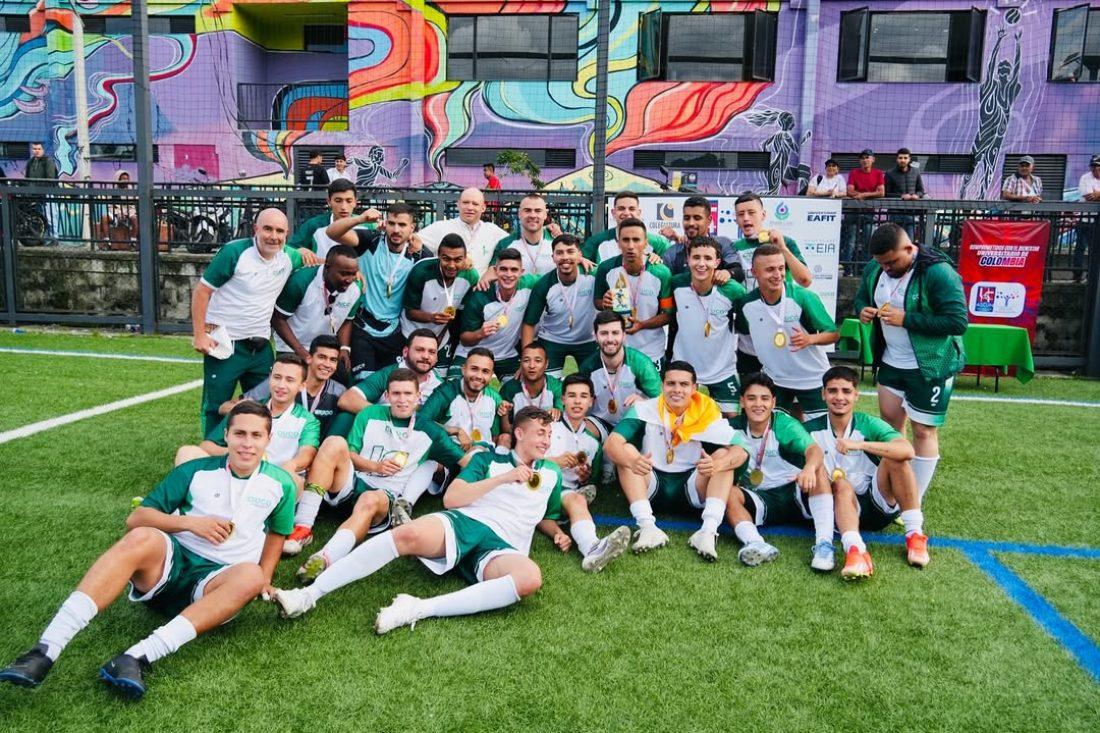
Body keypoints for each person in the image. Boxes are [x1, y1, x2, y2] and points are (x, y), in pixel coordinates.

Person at [0, 402, 295, 699]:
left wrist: (266, 577)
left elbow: (278, 533)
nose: (247, 443)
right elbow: (137, 518)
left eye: (256, 435)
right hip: (167, 569)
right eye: (240, 433)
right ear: (227, 436)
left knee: (251, 575)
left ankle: (136, 657)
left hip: (217, 586)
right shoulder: (195, 470)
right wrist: (191, 523)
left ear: (268, 439)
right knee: (142, 536)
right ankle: (44, 650)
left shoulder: (280, 483)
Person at [271, 406, 564, 636]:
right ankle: (307, 595)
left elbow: (547, 516)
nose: (546, 440)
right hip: (468, 521)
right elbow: (453, 498)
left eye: (550, 434)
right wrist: (503, 478)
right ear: (519, 433)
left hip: (505, 547)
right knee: (406, 535)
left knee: (530, 578)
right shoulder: (488, 461)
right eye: (541, 433)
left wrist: (557, 533)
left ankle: (417, 608)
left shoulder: (553, 474)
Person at [291, 368, 475, 584]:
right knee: (334, 443)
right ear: (387, 396)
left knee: (370, 499)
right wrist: (375, 466)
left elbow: (466, 462)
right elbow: (350, 453)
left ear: (418, 397)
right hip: (354, 481)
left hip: (383, 496)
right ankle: (303, 527)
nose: (402, 400)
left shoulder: (431, 431)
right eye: (396, 393)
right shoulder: (369, 414)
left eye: (408, 394)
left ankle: (325, 558)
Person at [854, 223, 967, 500]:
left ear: (909, 248)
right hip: (891, 362)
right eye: (881, 263)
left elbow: (957, 322)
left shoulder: (938, 272)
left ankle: (913, 500)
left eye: (892, 262)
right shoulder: (876, 267)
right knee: (891, 428)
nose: (886, 268)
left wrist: (907, 319)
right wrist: (863, 310)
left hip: (930, 364)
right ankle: (894, 493)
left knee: (924, 431)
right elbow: (861, 298)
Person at [603, 361, 750, 560]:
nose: (677, 390)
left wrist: (717, 465)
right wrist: (632, 462)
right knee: (627, 451)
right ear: (662, 385)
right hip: (651, 482)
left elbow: (741, 451)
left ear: (694, 388)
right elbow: (611, 444)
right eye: (671, 383)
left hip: (692, 486)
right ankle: (647, 527)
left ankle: (708, 531)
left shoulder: (706, 412)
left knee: (723, 456)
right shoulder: (645, 409)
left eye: (684, 384)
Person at [803, 366, 929, 577]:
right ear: (823, 394)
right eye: (832, 391)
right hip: (836, 510)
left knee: (896, 458)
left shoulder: (868, 424)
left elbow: (907, 450)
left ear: (856, 395)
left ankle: (915, 534)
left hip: (875, 506)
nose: (839, 397)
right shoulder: (810, 429)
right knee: (841, 484)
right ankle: (855, 551)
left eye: (846, 391)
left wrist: (860, 445)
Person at [190, 208, 300, 434]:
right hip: (225, 344)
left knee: (267, 402)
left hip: (260, 346)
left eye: (280, 231)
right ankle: (210, 449)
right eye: (267, 229)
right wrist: (199, 334)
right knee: (216, 405)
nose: (274, 236)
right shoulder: (234, 252)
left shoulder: (289, 256)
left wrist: (356, 271)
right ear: (255, 229)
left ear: (287, 234)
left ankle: (256, 447)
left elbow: (315, 260)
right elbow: (202, 292)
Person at [178, 355, 320, 508]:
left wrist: (290, 465)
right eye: (277, 377)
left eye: (290, 380)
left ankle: (268, 519)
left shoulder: (307, 420)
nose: (281, 385)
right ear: (269, 378)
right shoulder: (245, 409)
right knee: (187, 452)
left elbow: (307, 453)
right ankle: (188, 508)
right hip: (232, 475)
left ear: (302, 385)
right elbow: (206, 446)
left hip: (270, 482)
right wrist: (239, 452)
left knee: (295, 481)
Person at [723, 373, 829, 568]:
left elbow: (814, 450)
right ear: (742, 401)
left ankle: (824, 545)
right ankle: (755, 543)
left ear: (773, 402)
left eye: (764, 399)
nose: (758, 404)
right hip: (760, 496)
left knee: (818, 469)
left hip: (795, 490)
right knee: (728, 493)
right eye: (751, 398)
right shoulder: (731, 428)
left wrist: (808, 468)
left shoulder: (783, 424)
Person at [734, 243, 839, 420]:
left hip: (811, 378)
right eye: (770, 270)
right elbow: (744, 334)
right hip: (775, 380)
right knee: (773, 430)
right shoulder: (746, 304)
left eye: (781, 268)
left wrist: (810, 339)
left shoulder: (803, 296)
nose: (777, 275)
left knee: (819, 431)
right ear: (754, 272)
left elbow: (834, 333)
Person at [538, 374, 631, 572]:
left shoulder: (593, 443)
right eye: (572, 395)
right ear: (563, 399)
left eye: (583, 396)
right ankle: (591, 547)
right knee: (576, 499)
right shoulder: (547, 427)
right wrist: (555, 462)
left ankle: (590, 547)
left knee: (577, 498)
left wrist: (584, 476)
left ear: (591, 402)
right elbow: (522, 461)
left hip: (565, 494)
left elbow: (590, 479)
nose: (577, 401)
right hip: (537, 488)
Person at [326, 202, 425, 380]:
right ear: (385, 223)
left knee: (392, 384)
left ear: (412, 228)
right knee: (363, 383)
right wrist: (361, 218)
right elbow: (332, 232)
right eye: (392, 223)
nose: (396, 230)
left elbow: (446, 266)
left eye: (402, 225)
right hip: (363, 327)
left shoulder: (418, 253)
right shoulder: (370, 240)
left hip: (394, 330)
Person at [730, 192, 812, 383]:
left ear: (763, 215)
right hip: (749, 336)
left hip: (781, 330)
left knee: (786, 391)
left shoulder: (784, 242)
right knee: (750, 392)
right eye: (741, 214)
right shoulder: (733, 248)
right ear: (736, 219)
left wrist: (782, 247)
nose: (746, 218)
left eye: (751, 212)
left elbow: (805, 280)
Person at [668, 237, 746, 417]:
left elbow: (744, 326)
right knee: (680, 422)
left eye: (708, 258)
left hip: (722, 371)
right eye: (696, 257)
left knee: (731, 423)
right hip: (684, 369)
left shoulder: (734, 290)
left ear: (717, 262)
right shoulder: (676, 283)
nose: (701, 263)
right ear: (688, 259)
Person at [219, 336, 346, 439]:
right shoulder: (280, 384)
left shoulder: (339, 392)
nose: (327, 364)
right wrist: (260, 413)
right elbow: (224, 408)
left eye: (333, 360)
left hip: (315, 452)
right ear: (309, 358)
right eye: (322, 357)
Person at [593, 217, 674, 368]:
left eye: (636, 240)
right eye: (626, 240)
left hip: (651, 350)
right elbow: (597, 301)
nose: (631, 246)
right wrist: (604, 303)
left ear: (646, 243)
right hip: (617, 348)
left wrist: (642, 324)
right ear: (618, 243)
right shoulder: (606, 268)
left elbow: (668, 314)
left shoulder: (661, 273)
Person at [272, 244, 362, 371]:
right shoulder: (300, 281)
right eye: (344, 274)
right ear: (327, 268)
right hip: (290, 347)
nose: (349, 279)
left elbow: (347, 320)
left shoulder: (355, 289)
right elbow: (278, 319)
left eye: (353, 274)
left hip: (325, 350)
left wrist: (344, 348)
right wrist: (300, 351)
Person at [521, 234, 599, 377]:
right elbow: (529, 324)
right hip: (553, 339)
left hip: (588, 340)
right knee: (548, 383)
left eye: (570, 252)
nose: (565, 257)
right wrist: (527, 358)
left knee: (593, 383)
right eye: (559, 253)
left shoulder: (594, 275)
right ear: (553, 257)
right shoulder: (544, 285)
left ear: (580, 255)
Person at [400, 233, 479, 373]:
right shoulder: (421, 271)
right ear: (438, 256)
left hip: (440, 338)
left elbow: (458, 313)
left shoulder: (470, 276)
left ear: (465, 258)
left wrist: (442, 334)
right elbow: (410, 312)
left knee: (439, 380)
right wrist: (432, 318)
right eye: (446, 259)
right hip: (410, 333)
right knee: (408, 377)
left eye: (458, 259)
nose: (452, 265)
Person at [454, 248, 537, 380]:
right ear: (495, 270)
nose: (509, 274)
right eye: (503, 269)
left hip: (506, 356)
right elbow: (464, 339)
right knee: (454, 386)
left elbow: (554, 276)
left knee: (523, 388)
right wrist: (480, 333)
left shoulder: (528, 285)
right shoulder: (479, 295)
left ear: (521, 272)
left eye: (514, 270)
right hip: (472, 353)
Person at [576, 311, 663, 429]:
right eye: (604, 333)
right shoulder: (588, 367)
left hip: (632, 422)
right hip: (600, 421)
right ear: (595, 336)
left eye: (615, 333)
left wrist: (644, 403)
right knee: (581, 429)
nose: (610, 339)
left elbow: (663, 402)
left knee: (618, 437)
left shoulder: (641, 363)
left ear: (624, 335)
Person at [338, 329, 443, 416]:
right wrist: (389, 415)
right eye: (420, 350)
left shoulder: (441, 386)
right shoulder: (389, 374)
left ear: (437, 357)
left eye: (432, 352)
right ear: (405, 352)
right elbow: (347, 399)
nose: (426, 356)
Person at [419, 348, 505, 450]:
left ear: (491, 375)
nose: (479, 376)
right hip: (451, 452)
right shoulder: (447, 391)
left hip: (483, 454)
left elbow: (495, 435)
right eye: (474, 369)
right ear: (463, 369)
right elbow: (421, 420)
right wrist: (455, 430)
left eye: (485, 371)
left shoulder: (494, 397)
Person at [416, 187, 508, 273]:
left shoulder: (492, 231)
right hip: (446, 283)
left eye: (475, 204)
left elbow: (513, 243)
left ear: (483, 208)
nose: (470, 207)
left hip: (479, 284)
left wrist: (493, 268)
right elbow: (414, 241)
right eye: (465, 203)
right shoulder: (441, 227)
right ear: (458, 204)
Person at [286, 179, 375, 266]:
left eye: (349, 201)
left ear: (355, 202)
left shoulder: (368, 226)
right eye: (338, 201)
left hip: (359, 275)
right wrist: (299, 251)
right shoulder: (314, 225)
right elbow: (288, 249)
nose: (343, 207)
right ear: (329, 202)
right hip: (322, 275)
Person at [659, 196, 739, 276]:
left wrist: (727, 273)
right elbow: (665, 280)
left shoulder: (724, 244)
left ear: (709, 220)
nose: (691, 223)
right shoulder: (671, 254)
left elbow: (737, 271)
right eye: (687, 218)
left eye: (697, 218)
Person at [581, 191, 670, 263]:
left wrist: (660, 261)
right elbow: (581, 264)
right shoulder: (596, 241)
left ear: (639, 213)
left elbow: (669, 269)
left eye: (631, 209)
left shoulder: (659, 243)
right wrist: (580, 260)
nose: (626, 213)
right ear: (613, 213)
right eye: (621, 208)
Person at [488, 192, 559, 276]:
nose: (533, 215)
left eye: (538, 211)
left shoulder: (557, 242)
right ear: (519, 214)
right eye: (527, 210)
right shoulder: (505, 244)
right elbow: (492, 275)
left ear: (545, 215)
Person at [499, 342, 563, 434]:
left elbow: (566, 421)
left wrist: (558, 412)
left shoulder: (556, 387)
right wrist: (504, 415)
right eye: (526, 361)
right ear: (521, 363)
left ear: (546, 363)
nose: (532, 366)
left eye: (538, 361)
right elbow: (505, 431)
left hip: (550, 437)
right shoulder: (509, 389)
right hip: (520, 438)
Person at [845, 150, 886, 263]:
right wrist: (869, 194)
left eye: (867, 157)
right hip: (853, 212)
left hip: (869, 212)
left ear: (873, 159)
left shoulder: (878, 173)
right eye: (862, 158)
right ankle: (848, 267)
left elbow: (881, 192)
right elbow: (850, 191)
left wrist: (863, 195)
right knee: (850, 242)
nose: (865, 160)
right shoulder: (854, 172)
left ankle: (865, 266)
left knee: (868, 241)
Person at [1073, 155, 1100, 282]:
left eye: (1098, 166)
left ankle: (1092, 276)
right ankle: (1077, 276)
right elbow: (1088, 197)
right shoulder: (1085, 177)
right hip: (1085, 219)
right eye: (1093, 166)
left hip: (1097, 220)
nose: (1095, 169)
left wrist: (1097, 194)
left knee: (1095, 250)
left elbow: (1094, 196)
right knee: (1080, 248)